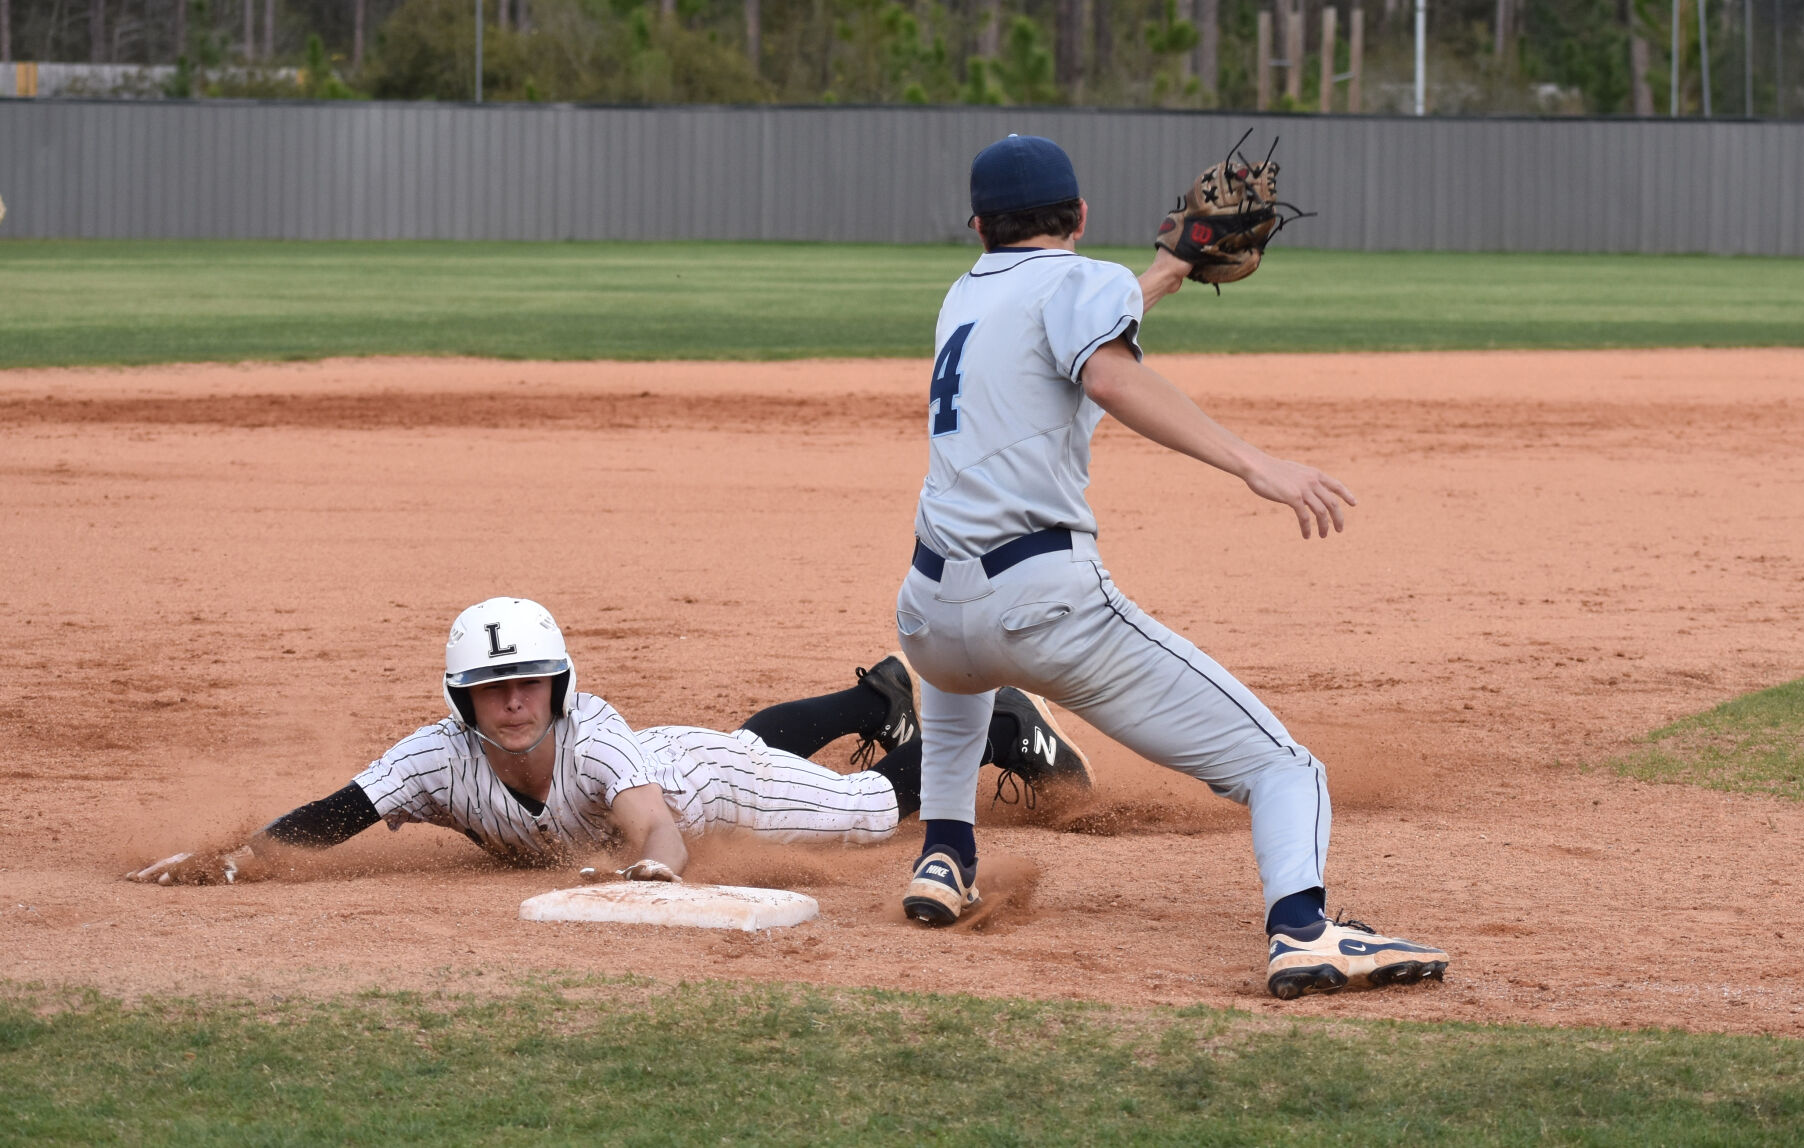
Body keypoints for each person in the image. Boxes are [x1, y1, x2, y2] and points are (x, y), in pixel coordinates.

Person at [894, 135, 1448, 1000]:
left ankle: (944, 855)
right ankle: (1303, 930)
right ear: (1080, 216)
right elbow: (1107, 372)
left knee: (962, 679)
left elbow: (1072, 321)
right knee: (1285, 769)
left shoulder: (964, 298)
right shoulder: (1085, 284)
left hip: (928, 614)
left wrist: (1167, 270)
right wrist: (1254, 464)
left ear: (976, 227)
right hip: (1044, 609)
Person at [126, 596, 1091, 886]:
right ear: (462, 700)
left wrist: (656, 872)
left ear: (559, 686)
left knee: (870, 813)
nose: (513, 705)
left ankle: (999, 723)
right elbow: (336, 815)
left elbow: (653, 826)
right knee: (743, 741)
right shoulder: (434, 759)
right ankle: (873, 704)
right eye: (491, 691)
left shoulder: (594, 745)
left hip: (694, 786)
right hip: (680, 752)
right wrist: (234, 861)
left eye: (529, 686)